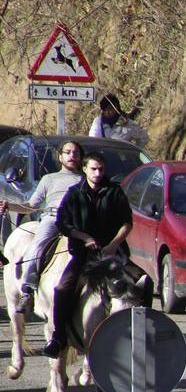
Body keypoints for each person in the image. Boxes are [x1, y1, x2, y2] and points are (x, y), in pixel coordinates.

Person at [46, 151, 137, 357]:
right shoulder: (74, 193)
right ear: (85, 169)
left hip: (113, 255)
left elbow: (127, 223)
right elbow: (63, 223)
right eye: (93, 169)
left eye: (101, 169)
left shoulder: (115, 192)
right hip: (83, 255)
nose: (97, 173)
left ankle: (146, 334)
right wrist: (84, 238)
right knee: (62, 288)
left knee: (144, 282)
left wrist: (113, 245)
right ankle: (59, 337)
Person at [0, 139, 83, 310]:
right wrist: (9, 205)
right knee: (37, 246)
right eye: (67, 152)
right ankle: (28, 290)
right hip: (53, 218)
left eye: (76, 153)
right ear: (60, 157)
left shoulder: (85, 179)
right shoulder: (49, 179)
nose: (72, 156)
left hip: (80, 220)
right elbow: (31, 206)